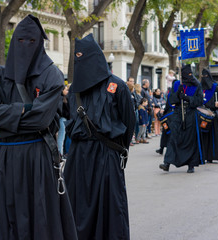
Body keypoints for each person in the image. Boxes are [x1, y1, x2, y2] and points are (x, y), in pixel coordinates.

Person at [0, 15, 77, 240]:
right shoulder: (1, 75)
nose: (25, 46)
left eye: (31, 41)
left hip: (36, 157)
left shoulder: (51, 74)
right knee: (6, 213)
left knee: (39, 214)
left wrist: (5, 115)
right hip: (5, 157)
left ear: (40, 43)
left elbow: (40, 120)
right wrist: (21, 109)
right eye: (20, 40)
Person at [64, 33, 135, 240]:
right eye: (77, 56)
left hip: (107, 154)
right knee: (77, 207)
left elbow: (129, 122)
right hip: (78, 157)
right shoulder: (74, 92)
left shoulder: (117, 86)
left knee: (111, 206)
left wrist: (119, 149)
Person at [159, 65, 203, 173]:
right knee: (174, 138)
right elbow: (171, 100)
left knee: (190, 139)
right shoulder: (177, 84)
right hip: (178, 114)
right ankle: (167, 163)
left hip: (191, 114)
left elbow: (200, 101)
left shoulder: (197, 85)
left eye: (189, 74)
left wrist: (188, 98)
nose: (188, 76)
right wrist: (178, 94)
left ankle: (191, 164)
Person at [199, 69, 218, 163]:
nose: (204, 78)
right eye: (203, 76)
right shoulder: (199, 87)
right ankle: (201, 155)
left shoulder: (215, 87)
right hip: (201, 115)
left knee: (212, 137)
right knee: (202, 136)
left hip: (212, 115)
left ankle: (211, 156)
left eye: (206, 76)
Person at [58, 84, 70, 156]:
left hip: (64, 119)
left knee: (63, 137)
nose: (67, 91)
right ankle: (60, 154)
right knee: (61, 137)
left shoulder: (65, 98)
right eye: (66, 90)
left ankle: (61, 153)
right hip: (63, 119)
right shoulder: (61, 99)